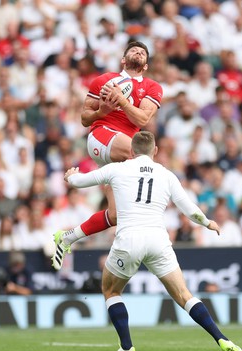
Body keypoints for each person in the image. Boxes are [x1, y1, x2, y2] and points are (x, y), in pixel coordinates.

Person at [61, 131, 242, 351]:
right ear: (155, 151)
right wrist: (208, 222)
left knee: (111, 290)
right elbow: (189, 208)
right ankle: (222, 339)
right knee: (184, 294)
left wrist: (71, 175)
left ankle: (127, 348)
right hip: (159, 241)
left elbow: (80, 182)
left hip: (129, 240)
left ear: (131, 151)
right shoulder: (166, 175)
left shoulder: (117, 168)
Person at [52, 41, 163, 270]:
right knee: (143, 159)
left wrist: (121, 101)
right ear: (123, 59)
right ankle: (147, 230)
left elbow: (142, 120)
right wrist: (102, 112)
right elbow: (84, 118)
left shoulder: (153, 87)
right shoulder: (104, 80)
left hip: (121, 151)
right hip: (102, 136)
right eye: (133, 50)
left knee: (114, 216)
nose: (138, 52)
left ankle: (67, 237)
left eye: (142, 52)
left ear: (146, 64)